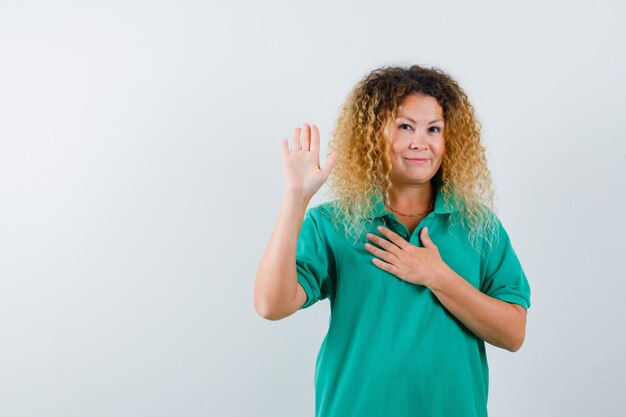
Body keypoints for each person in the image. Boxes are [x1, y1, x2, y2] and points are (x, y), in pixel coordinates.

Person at [253, 64, 531, 417]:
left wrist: (437, 276)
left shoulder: (478, 225)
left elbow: (513, 334)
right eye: (405, 126)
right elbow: (270, 305)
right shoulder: (334, 223)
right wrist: (296, 197)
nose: (420, 142)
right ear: (373, 135)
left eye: (434, 129)